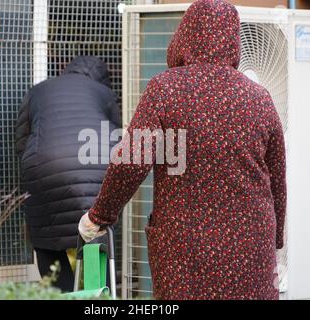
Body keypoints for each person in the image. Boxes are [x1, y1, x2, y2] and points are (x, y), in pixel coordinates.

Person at [78, 0, 286, 300]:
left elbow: (131, 162)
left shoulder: (166, 89)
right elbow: (277, 176)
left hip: (186, 248)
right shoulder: (260, 98)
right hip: (251, 245)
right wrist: (275, 238)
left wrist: (99, 216)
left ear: (185, 34)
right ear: (234, 42)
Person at [15, 56, 120, 292]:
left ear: (67, 70)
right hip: (98, 167)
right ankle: (98, 297)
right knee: (98, 235)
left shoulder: (38, 90)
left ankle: (62, 295)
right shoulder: (104, 93)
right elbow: (116, 135)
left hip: (46, 167)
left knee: (46, 240)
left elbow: (22, 139)